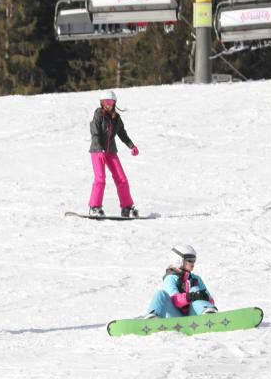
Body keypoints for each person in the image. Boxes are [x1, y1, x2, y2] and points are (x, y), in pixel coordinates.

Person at [88, 90, 140, 218]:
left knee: (121, 179)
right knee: (100, 179)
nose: (109, 105)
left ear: (114, 103)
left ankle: (126, 207)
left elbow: (122, 133)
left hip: (111, 152)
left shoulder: (116, 118)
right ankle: (94, 207)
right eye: (106, 102)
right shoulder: (98, 116)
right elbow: (95, 134)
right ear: (102, 103)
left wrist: (131, 145)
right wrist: (99, 149)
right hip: (97, 151)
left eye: (111, 102)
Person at [143, 245, 217, 318]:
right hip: (176, 317)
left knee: (195, 289)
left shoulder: (197, 279)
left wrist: (204, 297)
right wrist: (192, 296)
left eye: (194, 260)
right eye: (190, 260)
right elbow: (175, 300)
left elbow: (211, 301)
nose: (193, 263)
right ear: (179, 260)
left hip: (194, 316)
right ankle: (154, 317)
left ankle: (208, 316)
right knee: (160, 294)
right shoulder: (170, 278)